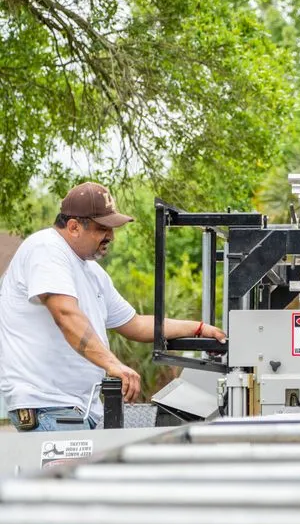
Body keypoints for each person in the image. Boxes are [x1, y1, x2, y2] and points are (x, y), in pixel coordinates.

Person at [0, 182, 227, 432]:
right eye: (102, 228)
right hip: (48, 408)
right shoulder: (45, 249)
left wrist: (199, 328)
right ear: (74, 226)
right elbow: (65, 315)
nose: (111, 236)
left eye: (112, 229)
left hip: (80, 409)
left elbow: (135, 324)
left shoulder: (92, 271)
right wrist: (113, 365)